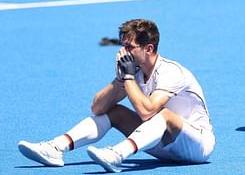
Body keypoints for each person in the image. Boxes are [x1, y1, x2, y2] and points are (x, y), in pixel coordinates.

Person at [18, 19, 215, 172]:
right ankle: (56, 148)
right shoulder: (134, 70)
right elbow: (97, 108)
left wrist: (128, 77)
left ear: (149, 49)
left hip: (196, 146)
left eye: (129, 47)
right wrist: (121, 79)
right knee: (115, 112)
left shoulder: (171, 72)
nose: (123, 52)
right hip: (162, 145)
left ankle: (117, 154)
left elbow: (147, 112)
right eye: (122, 46)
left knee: (162, 114)